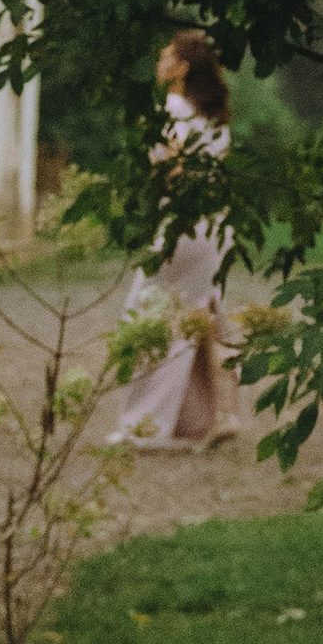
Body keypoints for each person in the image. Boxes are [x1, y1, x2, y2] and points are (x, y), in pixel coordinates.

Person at [107, 29, 243, 448]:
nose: (159, 62)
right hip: (214, 227)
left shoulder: (169, 112)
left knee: (152, 317)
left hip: (178, 227)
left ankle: (145, 424)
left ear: (181, 67)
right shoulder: (214, 119)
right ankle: (210, 416)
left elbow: (168, 171)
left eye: (166, 56)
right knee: (201, 319)